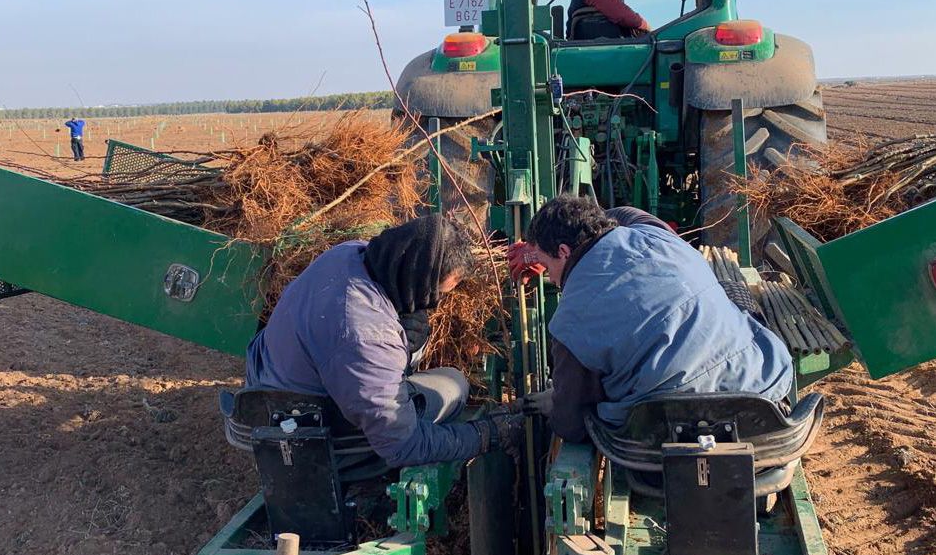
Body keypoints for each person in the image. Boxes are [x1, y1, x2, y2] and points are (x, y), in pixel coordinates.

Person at [246, 214, 523, 470]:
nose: (436, 303)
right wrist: (486, 435)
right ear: (420, 281)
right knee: (454, 386)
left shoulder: (350, 253)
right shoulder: (367, 337)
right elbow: (403, 446)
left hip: (267, 383)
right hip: (299, 431)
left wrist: (408, 346)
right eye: (437, 293)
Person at [509, 196, 793, 442]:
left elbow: (571, 425)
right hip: (758, 396)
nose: (551, 278)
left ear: (563, 251)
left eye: (546, 266)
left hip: (663, 432)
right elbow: (626, 214)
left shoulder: (568, 323)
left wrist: (555, 405)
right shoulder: (656, 235)